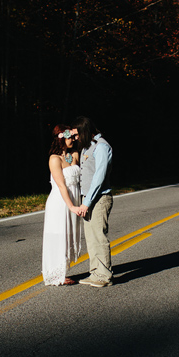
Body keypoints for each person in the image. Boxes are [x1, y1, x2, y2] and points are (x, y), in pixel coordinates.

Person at [72, 116, 114, 287]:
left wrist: (86, 203)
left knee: (99, 236)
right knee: (91, 238)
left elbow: (99, 178)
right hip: (87, 199)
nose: (75, 139)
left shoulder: (102, 146)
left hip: (99, 198)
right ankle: (95, 272)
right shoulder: (86, 147)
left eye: (76, 135)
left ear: (85, 131)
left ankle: (104, 276)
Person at [41, 124, 83, 286]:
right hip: (60, 203)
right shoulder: (54, 159)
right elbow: (61, 186)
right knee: (58, 235)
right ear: (61, 138)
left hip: (74, 199)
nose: (72, 139)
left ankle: (63, 270)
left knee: (68, 236)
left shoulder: (74, 155)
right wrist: (71, 206)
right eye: (69, 136)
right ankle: (55, 275)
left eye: (73, 136)